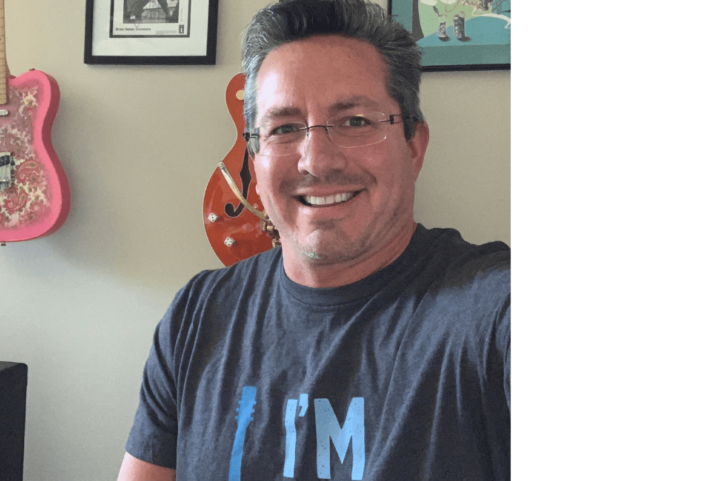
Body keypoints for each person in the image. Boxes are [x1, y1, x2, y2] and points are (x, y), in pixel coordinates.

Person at [118, 0, 510, 479]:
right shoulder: (196, 315)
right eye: (284, 128)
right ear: (255, 161)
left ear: (414, 145)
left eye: (355, 121)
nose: (317, 161)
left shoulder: (490, 311)